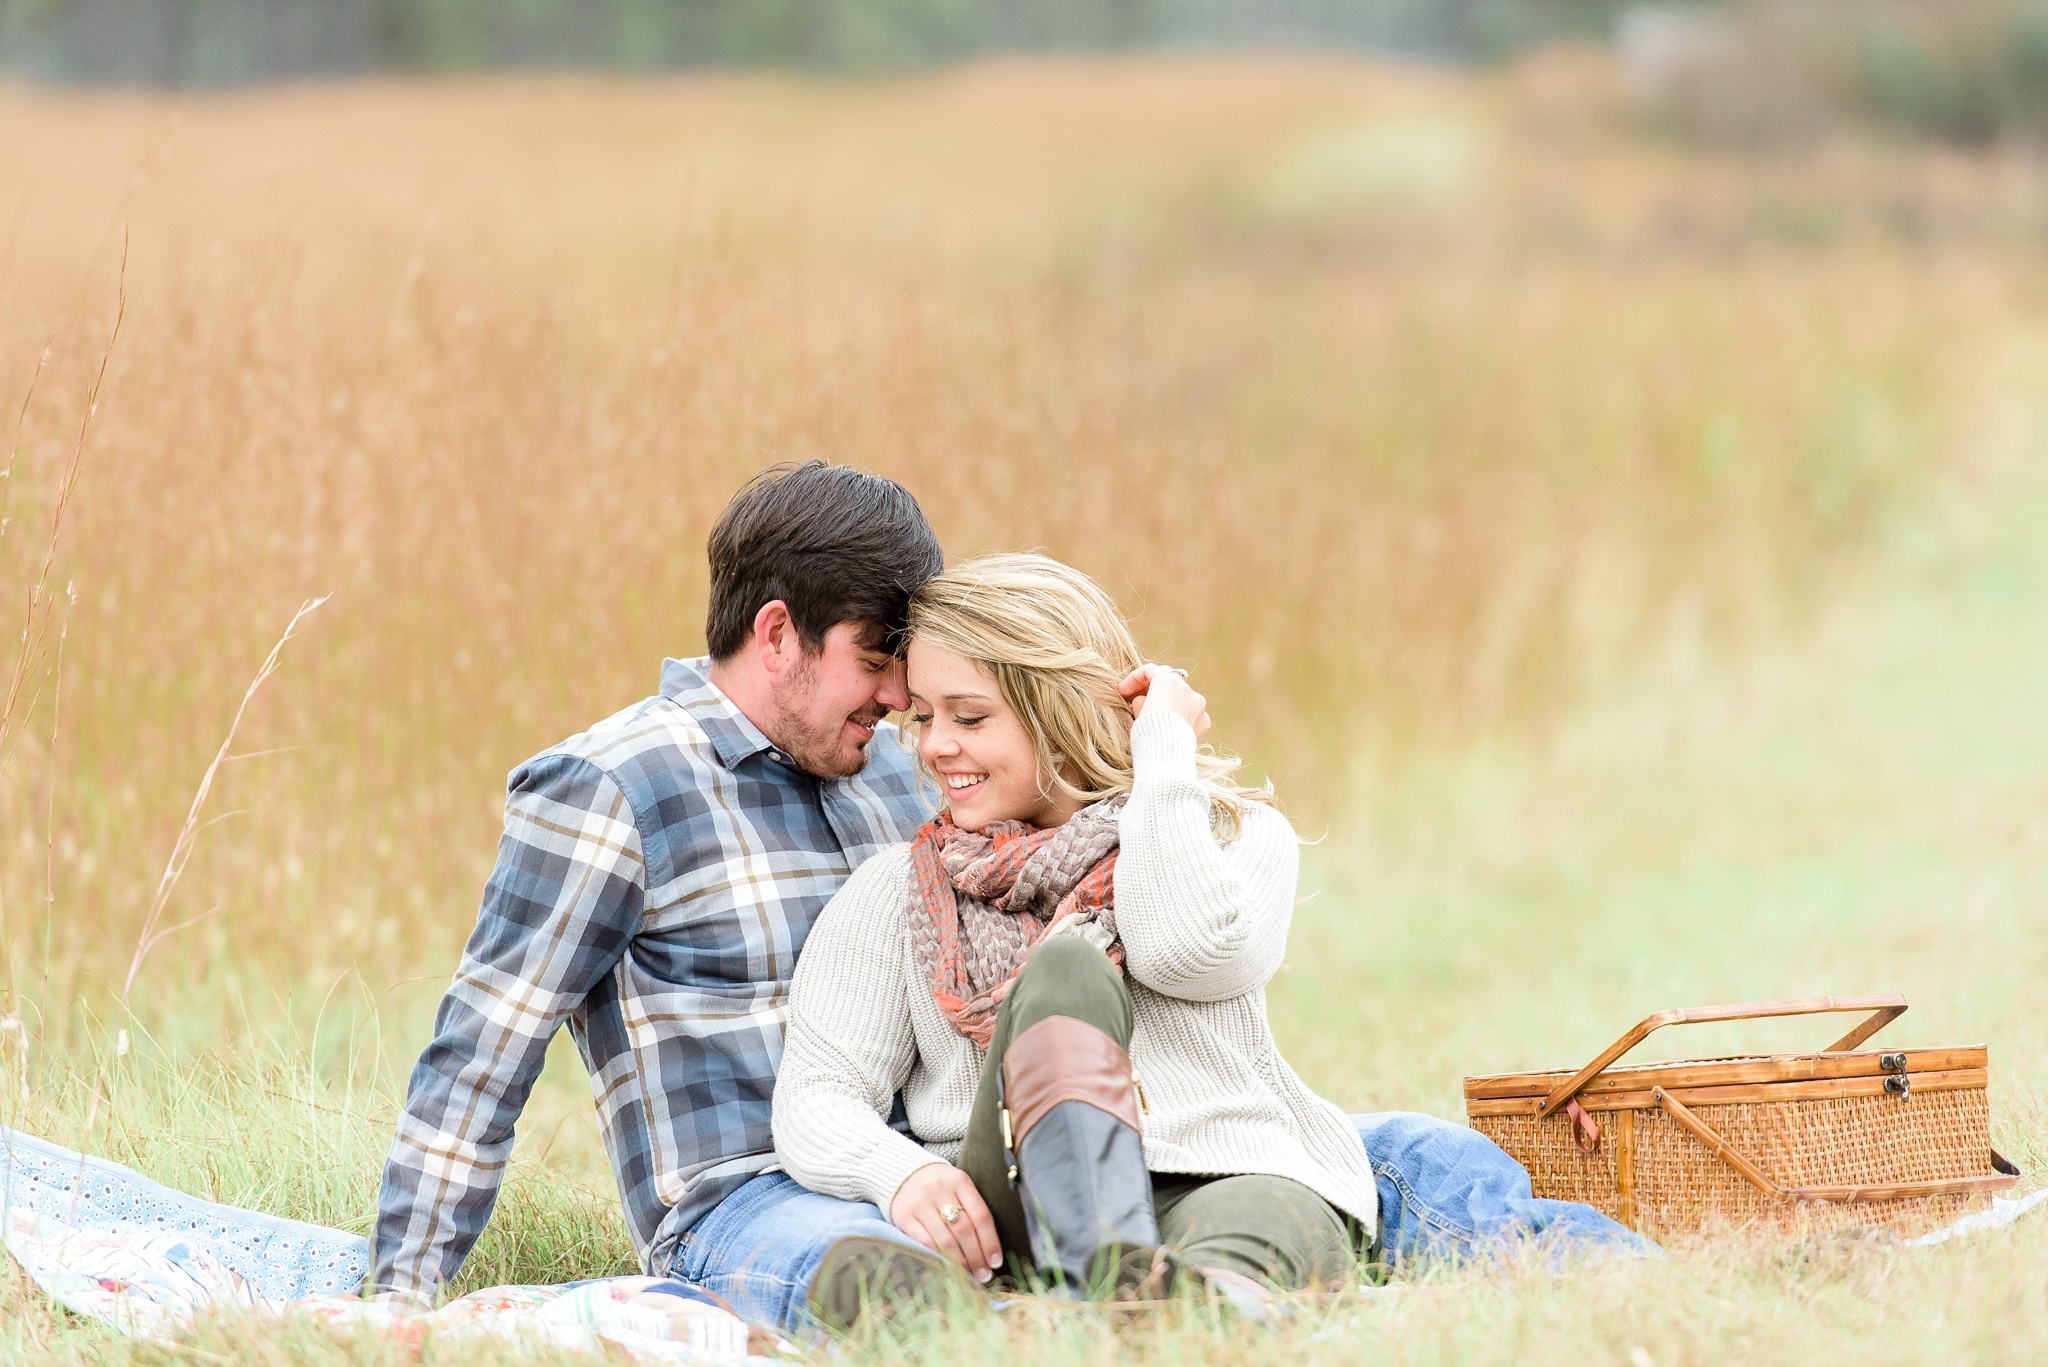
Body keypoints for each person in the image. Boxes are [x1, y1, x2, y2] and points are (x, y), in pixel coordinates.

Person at [375, 465, 1646, 1338]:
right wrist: (393, 1306)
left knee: (1406, 1153)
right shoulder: (609, 786)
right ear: (778, 633)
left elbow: (1163, 932)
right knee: (897, 1288)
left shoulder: (885, 770)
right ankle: (1107, 1295)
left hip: (999, 1150)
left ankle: (1624, 1275)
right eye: (885, 674)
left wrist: (1144, 758)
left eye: (933, 703)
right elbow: (479, 1055)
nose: (905, 724)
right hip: (769, 1181)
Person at [772, 554, 1652, 1305]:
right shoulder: (900, 891)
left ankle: (1150, 1316)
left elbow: (1183, 949)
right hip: (1019, 1206)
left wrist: (1161, 762)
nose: (934, 747)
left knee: (1261, 1240)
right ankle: (1095, 1277)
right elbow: (816, 1095)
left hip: (1227, 1175)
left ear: (1059, 711)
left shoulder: (1232, 838)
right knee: (1068, 974)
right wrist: (904, 1175)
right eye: (925, 717)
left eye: (970, 717)